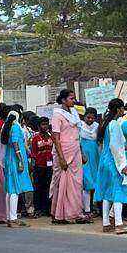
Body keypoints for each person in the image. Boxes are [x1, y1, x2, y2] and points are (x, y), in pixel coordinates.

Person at [94, 99, 127, 234]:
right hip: (113, 162)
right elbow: (116, 147)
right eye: (122, 108)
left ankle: (106, 222)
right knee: (119, 190)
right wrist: (122, 165)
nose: (123, 111)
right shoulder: (115, 125)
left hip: (104, 161)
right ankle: (119, 223)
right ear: (118, 110)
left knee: (107, 192)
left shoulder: (106, 123)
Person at [49, 90, 86, 224]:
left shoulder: (75, 113)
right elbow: (56, 138)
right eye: (71, 98)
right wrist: (61, 158)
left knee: (76, 183)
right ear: (63, 100)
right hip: (64, 151)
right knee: (62, 182)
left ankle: (75, 212)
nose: (74, 101)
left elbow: (78, 135)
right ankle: (61, 213)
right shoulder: (57, 115)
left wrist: (81, 152)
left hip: (75, 150)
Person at [0, 109, 33, 227]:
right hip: (15, 159)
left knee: (10, 190)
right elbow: (15, 144)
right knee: (15, 190)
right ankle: (13, 218)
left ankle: (9, 217)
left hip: (9, 159)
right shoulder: (16, 127)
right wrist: (20, 160)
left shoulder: (7, 127)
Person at [27, 117, 54, 218]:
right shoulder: (35, 138)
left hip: (49, 166)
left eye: (46, 124)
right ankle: (38, 209)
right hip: (39, 166)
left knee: (48, 187)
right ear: (39, 126)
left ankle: (47, 208)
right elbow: (33, 153)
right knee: (38, 187)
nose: (45, 126)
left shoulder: (51, 137)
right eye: (43, 124)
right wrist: (34, 165)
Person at [78, 106, 99, 214]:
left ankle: (93, 205)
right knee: (86, 181)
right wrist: (81, 154)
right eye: (88, 117)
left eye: (92, 118)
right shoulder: (80, 125)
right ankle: (86, 209)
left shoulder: (97, 126)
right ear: (84, 116)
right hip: (84, 155)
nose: (90, 120)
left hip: (95, 155)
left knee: (95, 181)